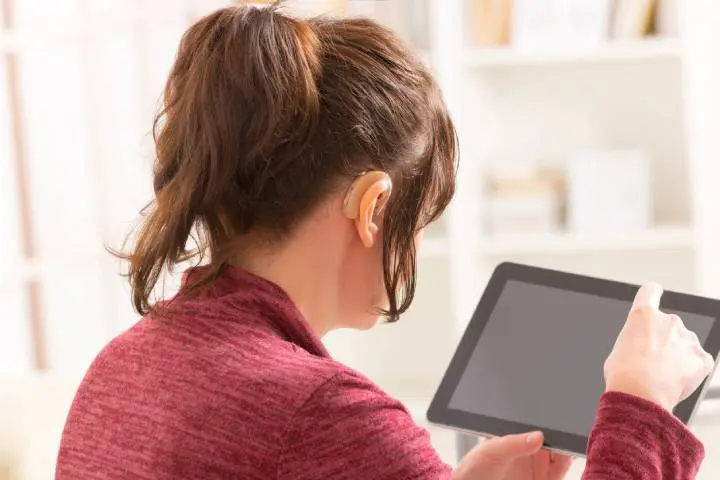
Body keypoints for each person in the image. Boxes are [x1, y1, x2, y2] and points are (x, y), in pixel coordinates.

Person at [56, 4, 715, 479]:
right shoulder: (327, 414)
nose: (418, 249)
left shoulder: (120, 367)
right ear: (374, 207)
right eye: (421, 222)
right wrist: (642, 414)